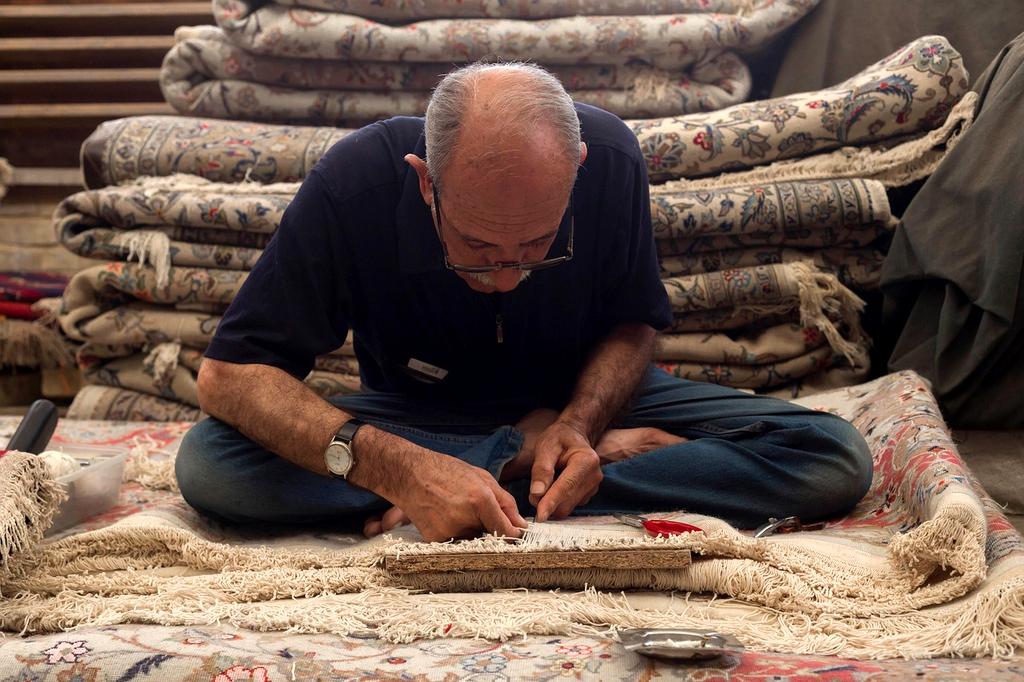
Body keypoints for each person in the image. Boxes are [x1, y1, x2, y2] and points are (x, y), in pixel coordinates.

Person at [175, 62, 872, 542]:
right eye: (477, 249)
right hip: (421, 420)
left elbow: (634, 323)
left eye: (537, 246)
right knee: (210, 464)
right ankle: (521, 472)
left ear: (577, 171)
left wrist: (579, 424)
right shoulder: (354, 185)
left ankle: (537, 471)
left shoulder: (613, 160)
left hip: (581, 405)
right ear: (425, 184)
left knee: (829, 454)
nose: (507, 277)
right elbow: (230, 375)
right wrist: (402, 468)